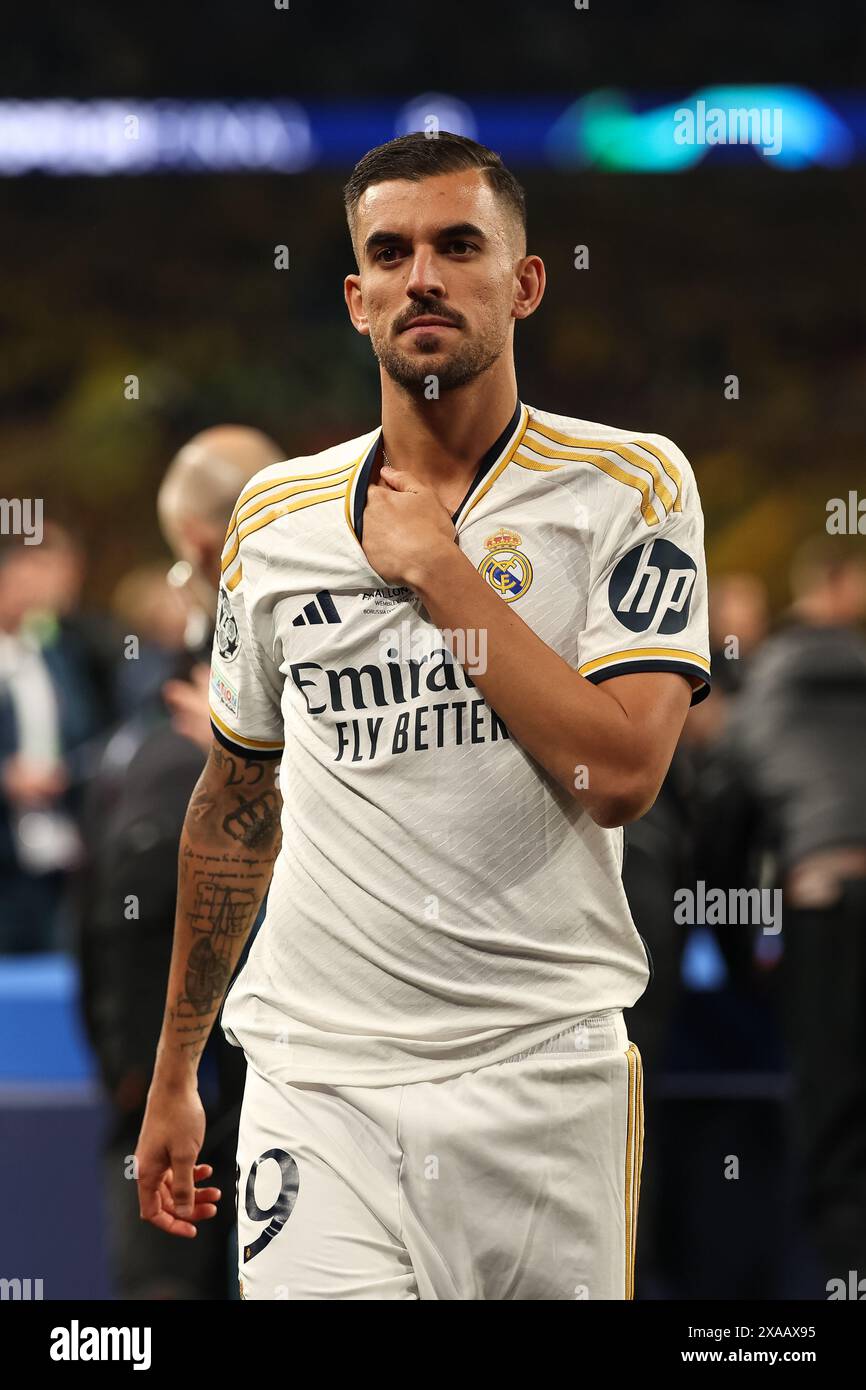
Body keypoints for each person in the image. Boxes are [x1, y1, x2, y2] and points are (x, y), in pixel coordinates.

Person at [136, 132, 711, 1301]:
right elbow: (237, 802)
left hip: (538, 1074)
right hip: (316, 1079)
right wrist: (175, 1072)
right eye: (388, 254)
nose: (422, 279)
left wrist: (440, 572)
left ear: (526, 280)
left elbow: (620, 774)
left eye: (458, 246)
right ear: (355, 299)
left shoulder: (630, 485)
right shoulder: (275, 521)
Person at [78, 426, 284, 1298]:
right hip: (254, 1074)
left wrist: (141, 1076)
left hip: (247, 1072)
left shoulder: (186, 733)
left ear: (197, 548)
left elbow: (119, 909)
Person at [711, 536, 866, 1290]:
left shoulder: (766, 683)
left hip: (824, 904)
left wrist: (746, 969)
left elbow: (722, 835)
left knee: (833, 1126)